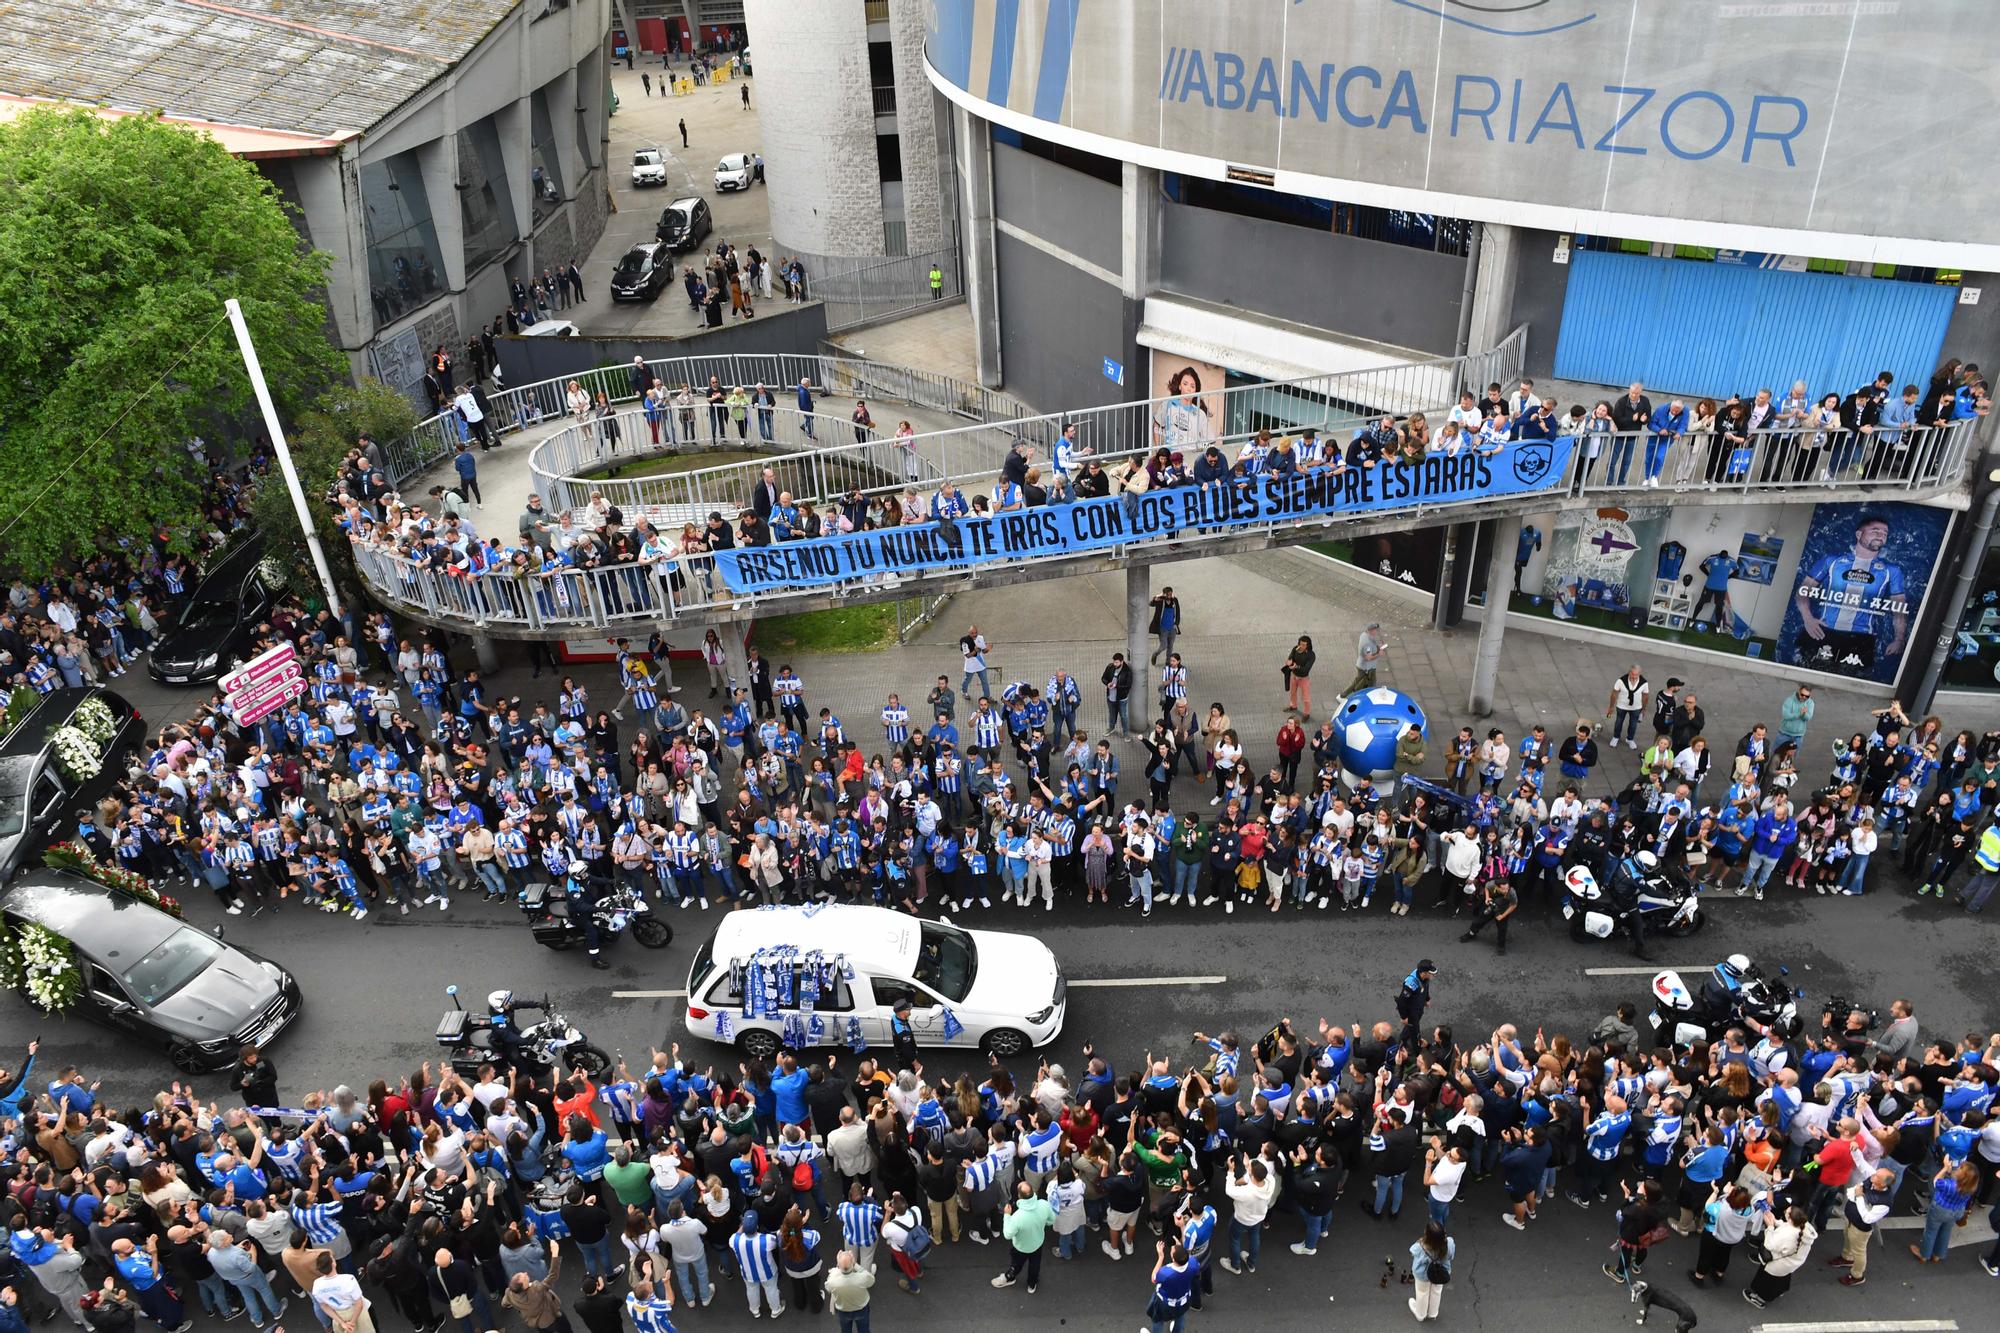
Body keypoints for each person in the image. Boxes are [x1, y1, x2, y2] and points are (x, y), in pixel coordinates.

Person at [990, 1180, 1052, 1291]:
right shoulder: (1044, 1204)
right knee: (1035, 1265)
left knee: (1016, 1264)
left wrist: (1007, 1216)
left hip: (1021, 1247)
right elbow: (1051, 1221)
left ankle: (1010, 1277)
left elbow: (1008, 1234)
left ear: (1019, 1196)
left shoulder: (1017, 1217)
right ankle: (1032, 1285)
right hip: (1037, 1244)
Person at [1407, 1220, 1453, 1322]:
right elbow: (1451, 1256)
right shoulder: (1449, 1244)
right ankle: (1433, 1313)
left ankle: (1421, 1314)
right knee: (1436, 1291)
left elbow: (1412, 1252)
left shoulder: (1420, 1247)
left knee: (1422, 1293)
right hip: (1441, 1272)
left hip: (1423, 1275)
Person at [824, 1249, 874, 1333]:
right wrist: (855, 1264)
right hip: (861, 1309)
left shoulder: (833, 1281)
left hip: (844, 1311)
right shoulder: (862, 1278)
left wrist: (838, 1264)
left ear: (839, 1266)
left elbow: (828, 1287)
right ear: (853, 1263)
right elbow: (871, 1280)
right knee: (864, 1330)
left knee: (845, 1330)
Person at [1347, 623, 1386, 696]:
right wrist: (1379, 654)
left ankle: (1368, 694)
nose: (1378, 632)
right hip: (1366, 667)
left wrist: (1378, 647)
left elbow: (1372, 647)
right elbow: (1368, 657)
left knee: (1367, 682)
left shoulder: (1365, 635)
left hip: (1369, 667)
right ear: (1371, 630)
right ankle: (1343, 695)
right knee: (1359, 682)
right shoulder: (1367, 643)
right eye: (1376, 630)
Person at [1282, 635, 1315, 717]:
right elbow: (1291, 657)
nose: (1302, 646)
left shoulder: (1311, 655)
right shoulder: (1296, 649)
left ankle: (1306, 713)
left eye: (1304, 645)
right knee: (1293, 693)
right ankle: (1293, 706)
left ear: (1308, 645)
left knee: (1305, 697)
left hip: (1303, 678)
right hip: (1294, 676)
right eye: (1300, 644)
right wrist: (1289, 662)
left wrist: (1296, 666)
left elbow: (1306, 669)